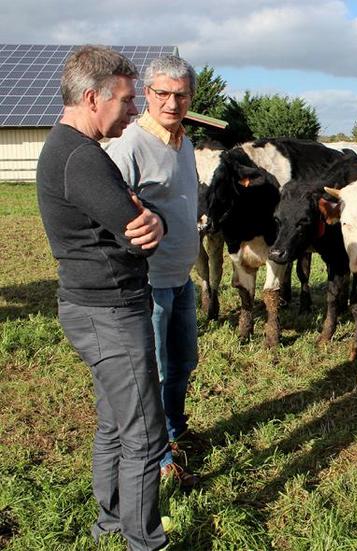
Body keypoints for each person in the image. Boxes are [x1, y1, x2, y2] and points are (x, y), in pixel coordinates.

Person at [36, 46, 169, 551]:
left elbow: (139, 215)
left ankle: (111, 522)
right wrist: (151, 220)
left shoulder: (71, 149)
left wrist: (147, 215)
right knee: (144, 436)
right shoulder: (81, 158)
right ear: (93, 98)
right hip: (110, 312)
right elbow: (143, 231)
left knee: (116, 422)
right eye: (128, 99)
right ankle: (144, 543)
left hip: (90, 306)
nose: (135, 110)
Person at [106, 55, 201, 487]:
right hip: (150, 282)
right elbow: (108, 214)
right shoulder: (128, 147)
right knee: (156, 370)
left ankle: (176, 430)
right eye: (162, 93)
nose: (171, 102)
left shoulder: (186, 143)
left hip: (182, 278)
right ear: (147, 94)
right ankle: (157, 449)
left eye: (180, 94)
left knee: (183, 363)